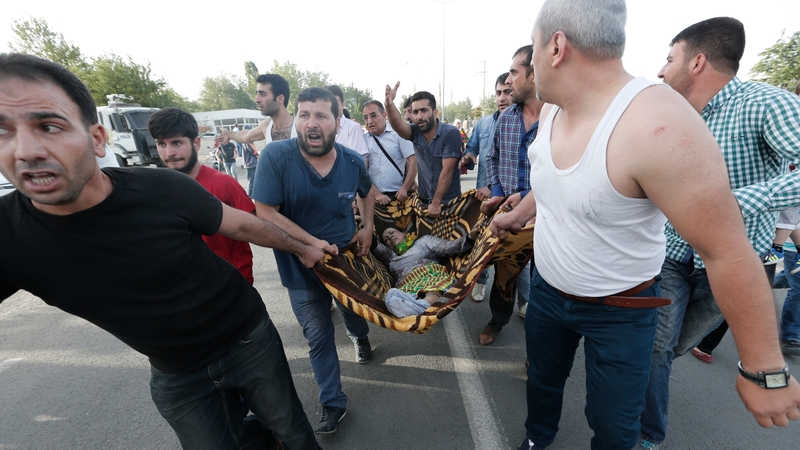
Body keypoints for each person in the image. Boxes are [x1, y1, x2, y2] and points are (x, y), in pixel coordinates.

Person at [489, 2, 800, 449]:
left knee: (614, 425)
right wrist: (518, 215)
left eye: (534, 49)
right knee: (542, 386)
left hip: (621, 309)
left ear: (556, 46)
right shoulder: (556, 109)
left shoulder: (658, 124)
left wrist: (764, 368)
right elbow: (559, 181)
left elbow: (727, 250)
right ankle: (538, 440)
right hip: (549, 295)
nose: (531, 64)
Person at [0, 53, 323, 450]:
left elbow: (245, 223)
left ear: (98, 139)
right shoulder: (6, 234)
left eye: (48, 126)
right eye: (2, 131)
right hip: (177, 375)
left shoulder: (164, 189)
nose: (25, 150)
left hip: (247, 340)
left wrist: (306, 248)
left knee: (291, 431)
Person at [640, 17, 800, 450]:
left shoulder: (767, 103)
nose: (660, 70)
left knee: (666, 351)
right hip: (671, 254)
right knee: (655, 350)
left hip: (732, 268)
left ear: (697, 62)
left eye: (669, 57)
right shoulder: (669, 114)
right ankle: (647, 439)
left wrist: (740, 201)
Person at [251, 87, 375, 435]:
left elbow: (368, 193)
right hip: (299, 268)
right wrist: (308, 245)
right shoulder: (276, 156)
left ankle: (360, 336)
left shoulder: (351, 162)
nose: (311, 123)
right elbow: (265, 211)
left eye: (321, 115)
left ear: (338, 122)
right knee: (318, 335)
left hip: (344, 264)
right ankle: (333, 402)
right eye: (304, 115)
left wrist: (367, 227)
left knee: (353, 312)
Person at [478, 46, 544, 345]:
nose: (510, 80)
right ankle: (498, 320)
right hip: (506, 211)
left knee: (545, 285)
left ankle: (540, 349)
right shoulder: (506, 118)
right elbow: (491, 157)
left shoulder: (559, 119)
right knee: (505, 273)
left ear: (533, 75)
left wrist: (527, 197)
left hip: (545, 218)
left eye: (515, 73)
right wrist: (499, 192)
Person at [149, 107, 256, 284]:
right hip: (186, 289)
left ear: (196, 143)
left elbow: (255, 228)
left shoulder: (224, 184)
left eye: (176, 143)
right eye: (161, 144)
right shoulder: (157, 189)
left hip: (231, 285)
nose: (169, 153)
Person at [459, 73, 512, 302]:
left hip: (514, 200)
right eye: (499, 93)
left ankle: (524, 301)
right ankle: (481, 283)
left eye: (507, 92)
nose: (502, 97)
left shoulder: (523, 122)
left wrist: (494, 187)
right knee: (483, 245)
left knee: (514, 253)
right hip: (485, 201)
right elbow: (472, 147)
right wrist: (469, 155)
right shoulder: (483, 123)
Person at [385, 87, 462, 217]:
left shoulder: (450, 133)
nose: (419, 116)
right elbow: (397, 125)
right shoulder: (415, 132)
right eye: (415, 112)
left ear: (435, 112)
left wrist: (436, 202)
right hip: (424, 203)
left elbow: (447, 171)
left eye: (424, 110)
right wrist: (389, 104)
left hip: (449, 205)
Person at [374, 226, 480, 317]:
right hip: (406, 283)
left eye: (391, 232)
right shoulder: (391, 257)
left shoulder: (423, 241)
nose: (390, 237)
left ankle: (424, 305)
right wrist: (361, 225)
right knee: (391, 294)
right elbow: (374, 246)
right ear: (387, 246)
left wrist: (470, 237)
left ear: (404, 233)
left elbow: (448, 247)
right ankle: (413, 306)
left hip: (429, 273)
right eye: (386, 239)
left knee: (431, 287)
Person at [217, 74, 296, 147]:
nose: (257, 100)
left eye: (263, 94)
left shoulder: (301, 127)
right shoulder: (266, 126)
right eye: (257, 94)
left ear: (280, 99)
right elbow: (246, 136)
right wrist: (228, 134)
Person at [362, 100, 417, 204]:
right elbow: (362, 171)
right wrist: (377, 194)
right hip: (373, 198)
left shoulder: (398, 135)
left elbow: (413, 161)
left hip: (399, 197)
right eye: (365, 117)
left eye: (373, 115)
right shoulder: (363, 140)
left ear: (384, 116)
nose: (369, 121)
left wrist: (405, 188)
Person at [324, 85, 370, 163]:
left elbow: (362, 162)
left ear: (343, 105)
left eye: (335, 103)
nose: (331, 107)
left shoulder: (352, 128)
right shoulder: (321, 128)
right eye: (327, 104)